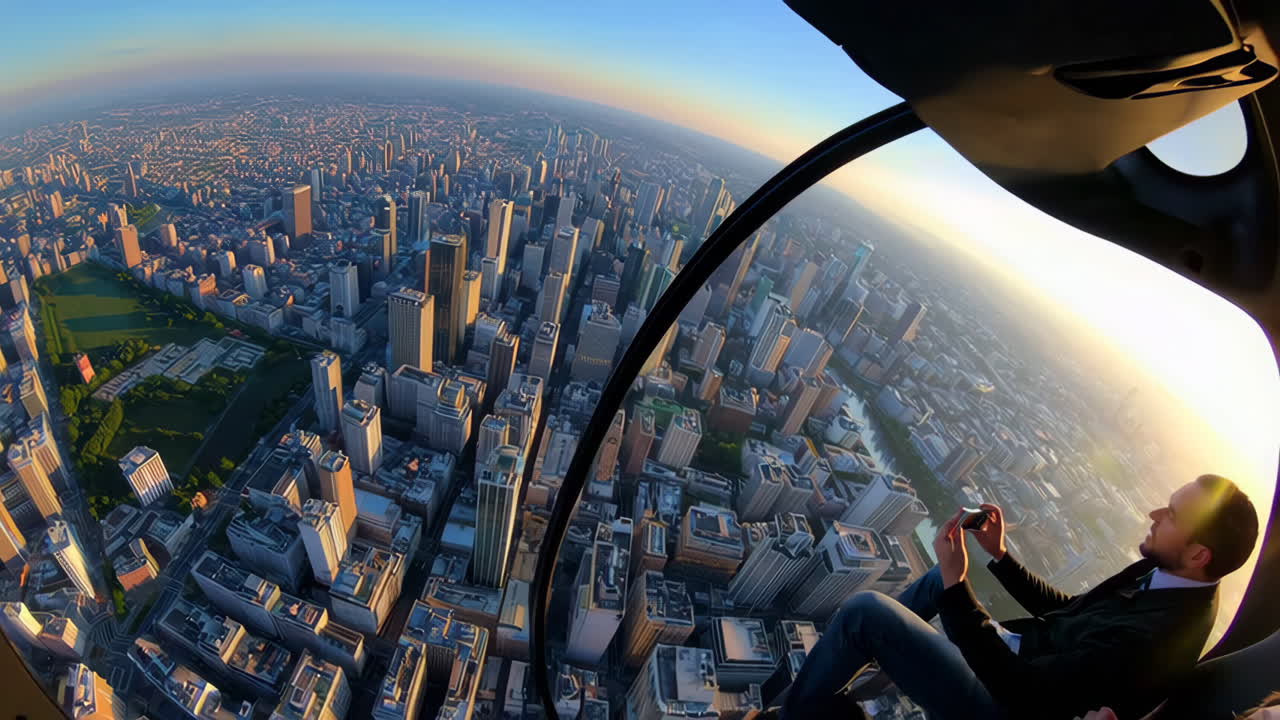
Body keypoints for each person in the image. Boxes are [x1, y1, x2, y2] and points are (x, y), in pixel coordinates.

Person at [774, 474, 1259, 720]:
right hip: (1020, 662)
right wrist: (1000, 557)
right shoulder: (1164, 570)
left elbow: (1023, 689)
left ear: (1199, 554)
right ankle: (863, 678)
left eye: (1171, 514)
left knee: (866, 613)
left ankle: (792, 717)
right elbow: (1071, 612)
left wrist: (959, 585)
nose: (1154, 513)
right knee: (929, 587)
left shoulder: (1159, 638)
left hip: (1006, 704)